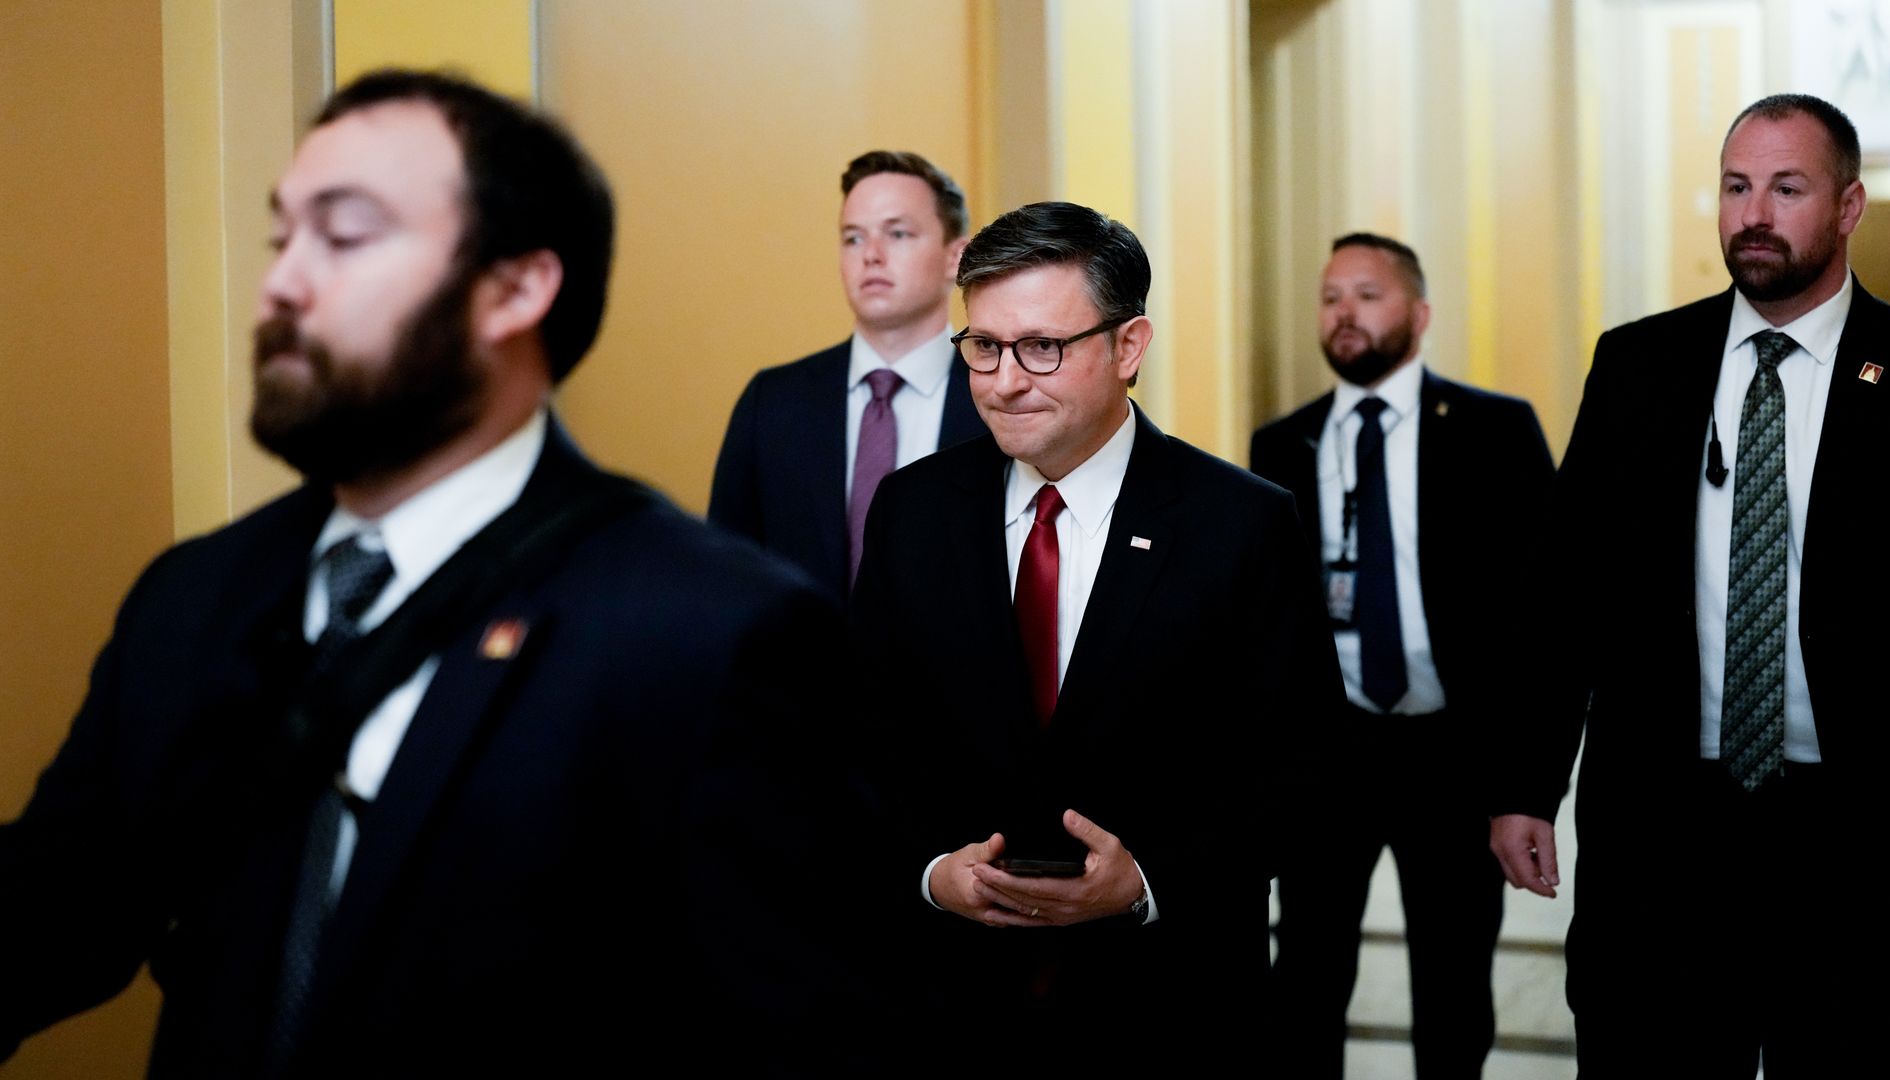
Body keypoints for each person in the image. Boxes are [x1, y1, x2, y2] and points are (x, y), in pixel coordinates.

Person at [0, 70, 855, 1076]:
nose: (281, 282)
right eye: (283, 238)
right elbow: (49, 916)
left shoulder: (714, 633)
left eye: (346, 236)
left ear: (515, 288)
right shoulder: (193, 600)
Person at [850, 200, 1343, 1063]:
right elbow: (860, 739)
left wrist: (1149, 880)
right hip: (950, 999)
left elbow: (1302, 775)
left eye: (1042, 347)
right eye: (984, 347)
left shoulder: (1240, 524)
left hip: (1167, 1002)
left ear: (1128, 347)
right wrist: (931, 873)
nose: (1004, 380)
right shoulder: (914, 511)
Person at [1489, 93, 1890, 1077]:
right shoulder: (1640, 364)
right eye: (1735, 187)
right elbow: (1566, 593)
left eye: (1785, 188)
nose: (1752, 213)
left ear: (1850, 207)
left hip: (1855, 834)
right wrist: (1524, 783)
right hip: (1666, 825)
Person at [1251, 233, 1553, 1077]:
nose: (1345, 313)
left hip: (1451, 750)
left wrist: (1524, 784)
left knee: (1453, 987)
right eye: (1330, 296)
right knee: (1306, 977)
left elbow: (1542, 617)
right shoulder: (1283, 444)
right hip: (1326, 756)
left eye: (1368, 295)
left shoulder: (1495, 430)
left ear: (1418, 315)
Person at [709, 150, 988, 594]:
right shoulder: (772, 403)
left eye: (897, 233)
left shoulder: (1001, 400)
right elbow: (725, 575)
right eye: (853, 238)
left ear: (956, 256)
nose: (871, 256)